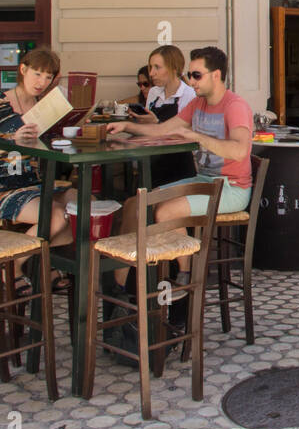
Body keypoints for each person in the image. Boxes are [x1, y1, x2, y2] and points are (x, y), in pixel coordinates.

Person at [107, 46, 253, 298]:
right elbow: (163, 129)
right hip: (205, 180)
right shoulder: (198, 103)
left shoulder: (235, 106)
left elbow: (240, 151)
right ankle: (122, 286)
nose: (191, 80)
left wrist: (196, 136)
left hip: (232, 187)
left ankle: (185, 277)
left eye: (197, 75)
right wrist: (127, 126)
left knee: (165, 211)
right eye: (190, 74)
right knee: (137, 203)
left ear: (216, 75)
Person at [0, 47, 73, 284]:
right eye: (37, 74)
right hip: (0, 189)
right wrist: (10, 142)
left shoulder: (43, 107)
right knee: (56, 217)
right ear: (23, 70)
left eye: (48, 77)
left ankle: (41, 263)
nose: (41, 82)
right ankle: (14, 264)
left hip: (34, 185)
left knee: (82, 204)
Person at [129, 44, 198, 185]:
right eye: (150, 67)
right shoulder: (154, 93)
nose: (151, 73)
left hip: (178, 167)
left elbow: (187, 135)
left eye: (157, 67)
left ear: (174, 68)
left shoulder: (190, 95)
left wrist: (156, 124)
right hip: (152, 162)